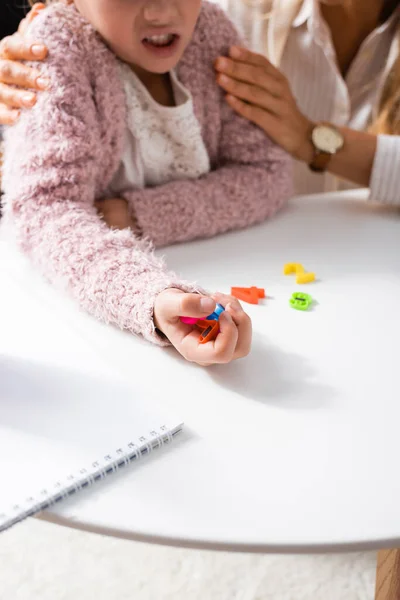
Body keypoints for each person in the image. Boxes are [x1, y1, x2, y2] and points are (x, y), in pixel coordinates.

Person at [0, 0, 292, 366]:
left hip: (232, 260)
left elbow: (267, 173)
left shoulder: (213, 34)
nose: (159, 12)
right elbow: (43, 212)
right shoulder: (55, 47)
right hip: (77, 330)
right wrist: (150, 297)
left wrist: (138, 214)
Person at [3, 0, 397, 204]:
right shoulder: (228, 15)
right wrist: (39, 61)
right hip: (245, 264)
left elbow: (261, 178)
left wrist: (312, 138)